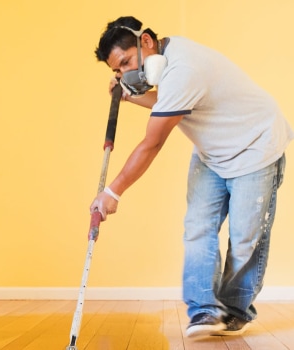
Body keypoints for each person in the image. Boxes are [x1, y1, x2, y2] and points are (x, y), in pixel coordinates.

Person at [90, 15, 293, 338]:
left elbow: (151, 143)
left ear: (146, 42)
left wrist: (112, 193)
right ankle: (204, 312)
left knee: (245, 238)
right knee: (198, 227)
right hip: (213, 151)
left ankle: (235, 311)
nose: (125, 73)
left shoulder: (185, 68)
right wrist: (128, 94)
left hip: (256, 146)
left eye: (127, 62)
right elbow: (169, 102)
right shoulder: (169, 65)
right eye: (117, 70)